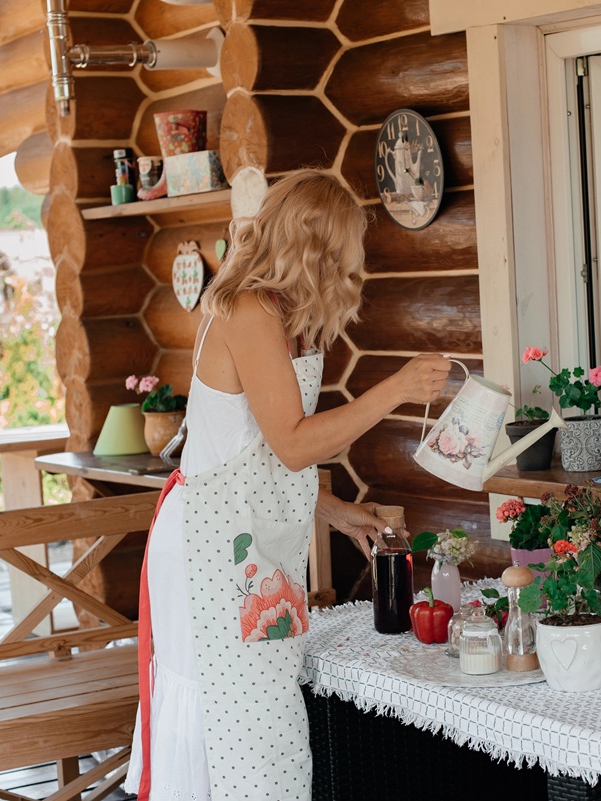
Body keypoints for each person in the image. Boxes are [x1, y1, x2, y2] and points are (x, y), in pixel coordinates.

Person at [123, 169, 452, 801]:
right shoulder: (246, 309)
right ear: (319, 247)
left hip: (249, 544)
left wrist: (335, 511)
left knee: (267, 733)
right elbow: (294, 441)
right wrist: (396, 389)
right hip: (211, 554)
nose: (358, 261)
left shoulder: (282, 316)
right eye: (350, 245)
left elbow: (253, 456)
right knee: (242, 728)